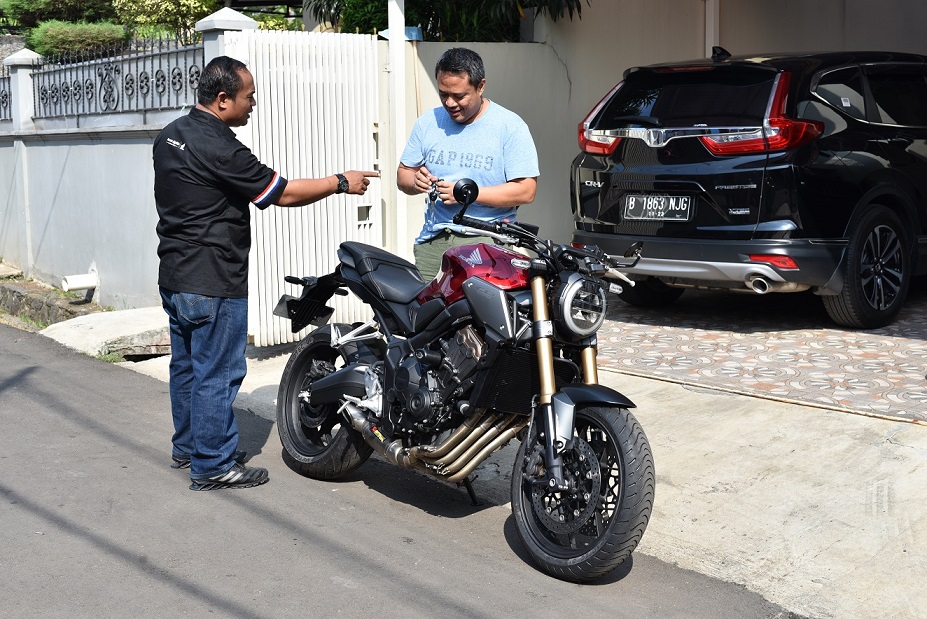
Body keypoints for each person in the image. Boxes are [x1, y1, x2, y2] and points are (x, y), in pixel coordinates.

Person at [153, 55, 378, 491]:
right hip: (213, 279)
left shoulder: (171, 134)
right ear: (223, 99)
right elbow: (281, 193)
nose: (253, 103)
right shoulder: (220, 147)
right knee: (217, 373)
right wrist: (341, 181)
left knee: (188, 368)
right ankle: (213, 465)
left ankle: (191, 447)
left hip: (176, 274)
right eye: (249, 96)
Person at [397, 47, 540, 280]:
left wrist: (468, 194)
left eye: (459, 96)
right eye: (443, 94)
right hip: (433, 242)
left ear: (480, 86)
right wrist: (415, 181)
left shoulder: (510, 127)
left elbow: (526, 190)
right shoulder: (428, 123)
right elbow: (403, 175)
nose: (450, 103)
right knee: (424, 304)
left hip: (487, 242)